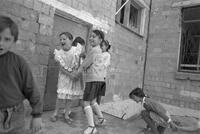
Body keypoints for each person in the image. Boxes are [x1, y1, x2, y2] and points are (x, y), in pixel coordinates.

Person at [0, 16, 43, 134]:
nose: (1, 43)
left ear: (14, 41)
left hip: (16, 115)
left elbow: (31, 88)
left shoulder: (18, 62)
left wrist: (37, 115)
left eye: (7, 39)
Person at [74, 30, 106, 134]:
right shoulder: (99, 50)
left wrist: (76, 74)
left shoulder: (93, 50)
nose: (91, 38)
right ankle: (101, 119)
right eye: (90, 36)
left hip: (93, 79)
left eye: (94, 37)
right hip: (99, 80)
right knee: (93, 101)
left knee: (86, 102)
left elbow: (84, 65)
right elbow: (90, 60)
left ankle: (91, 127)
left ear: (100, 40)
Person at [50, 32, 83, 124]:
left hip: (74, 77)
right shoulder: (58, 52)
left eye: (64, 39)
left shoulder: (76, 50)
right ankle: (55, 113)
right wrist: (70, 75)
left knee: (69, 97)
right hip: (64, 77)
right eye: (60, 39)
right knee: (60, 96)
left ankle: (66, 114)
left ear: (71, 40)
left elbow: (80, 63)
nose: (62, 41)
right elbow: (60, 67)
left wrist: (76, 73)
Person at [96, 40, 111, 105]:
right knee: (93, 93)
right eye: (101, 45)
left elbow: (105, 64)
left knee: (99, 93)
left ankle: (97, 108)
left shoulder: (107, 55)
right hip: (94, 75)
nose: (101, 46)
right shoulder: (98, 53)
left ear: (107, 46)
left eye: (103, 45)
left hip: (101, 76)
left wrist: (97, 66)